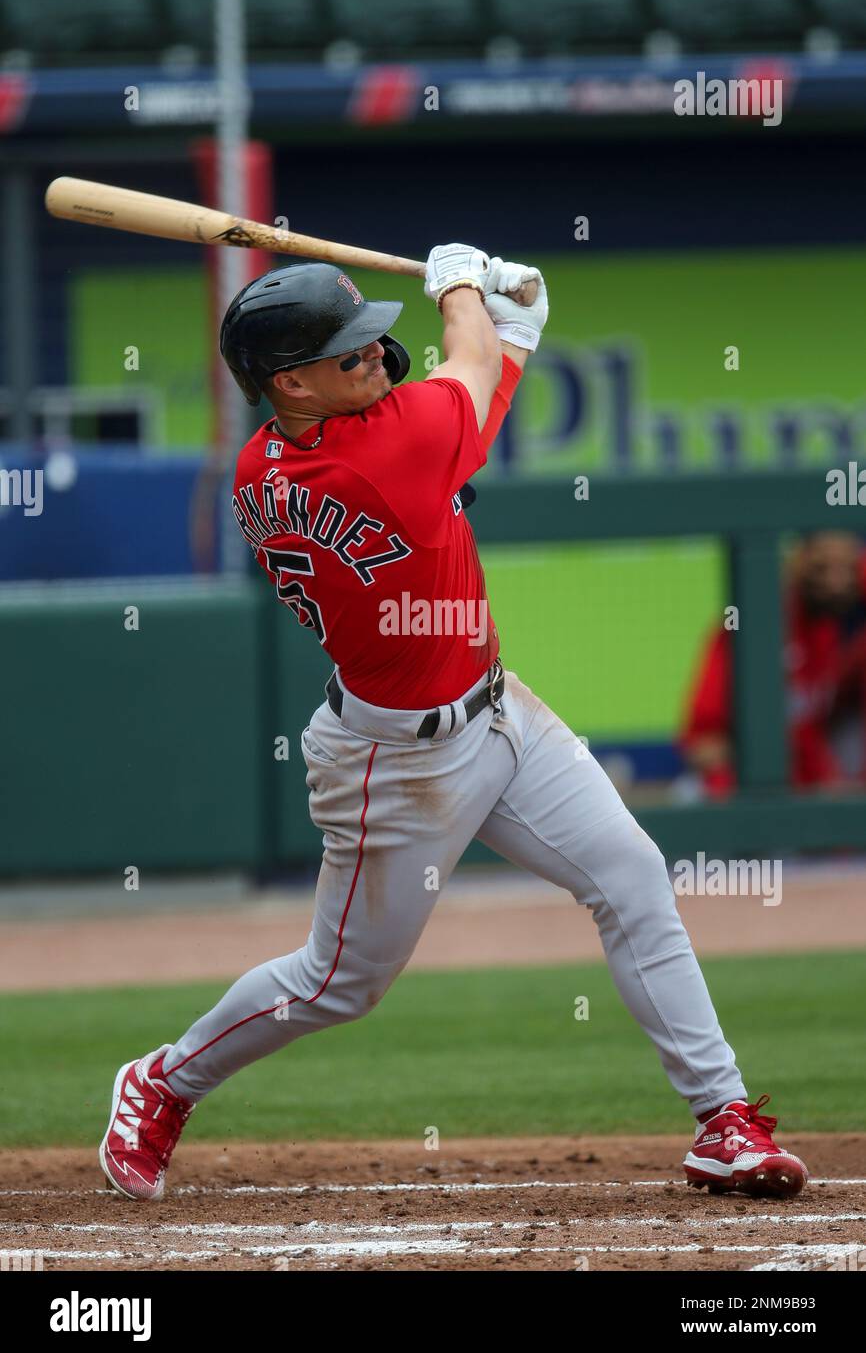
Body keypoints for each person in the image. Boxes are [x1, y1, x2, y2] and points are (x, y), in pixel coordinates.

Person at [98, 245, 808, 1203]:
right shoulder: (382, 451)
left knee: (632, 875)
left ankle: (721, 1120)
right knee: (336, 984)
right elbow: (462, 379)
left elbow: (454, 412)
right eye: (346, 354)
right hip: (392, 764)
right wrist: (466, 289)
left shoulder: (278, 455)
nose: (376, 355)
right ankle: (160, 1082)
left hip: (496, 712)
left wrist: (505, 325)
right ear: (290, 383)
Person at [681, 533, 866, 796]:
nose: (835, 582)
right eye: (821, 567)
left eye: (847, 569)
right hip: (746, 795)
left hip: (814, 786)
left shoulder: (827, 626)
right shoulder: (747, 620)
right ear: (798, 559)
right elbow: (703, 745)